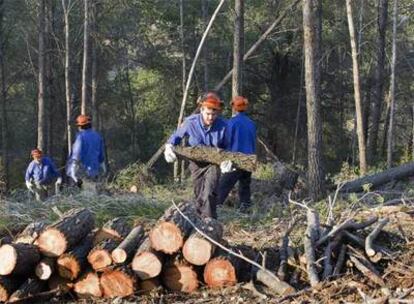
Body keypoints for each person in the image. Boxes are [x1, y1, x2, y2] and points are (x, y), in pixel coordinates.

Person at [164, 94, 226, 219]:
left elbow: (228, 146)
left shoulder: (223, 126)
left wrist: (228, 161)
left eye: (214, 114)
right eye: (208, 113)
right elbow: (176, 136)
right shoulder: (190, 122)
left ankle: (209, 221)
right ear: (202, 110)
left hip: (213, 163)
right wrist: (169, 146)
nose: (210, 117)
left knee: (209, 192)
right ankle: (198, 219)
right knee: (198, 193)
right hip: (196, 163)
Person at [217, 96, 257, 213]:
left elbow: (226, 141)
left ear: (234, 107)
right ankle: (245, 209)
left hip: (236, 159)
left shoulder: (231, 123)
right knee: (245, 186)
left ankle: (214, 208)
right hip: (249, 159)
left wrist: (223, 157)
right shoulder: (251, 123)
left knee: (223, 186)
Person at [66, 114, 106, 190]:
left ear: (80, 126)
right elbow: (101, 156)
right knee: (92, 194)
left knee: (81, 195)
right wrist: (103, 167)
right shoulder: (97, 136)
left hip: (81, 172)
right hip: (94, 170)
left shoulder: (80, 137)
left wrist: (73, 169)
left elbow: (76, 155)